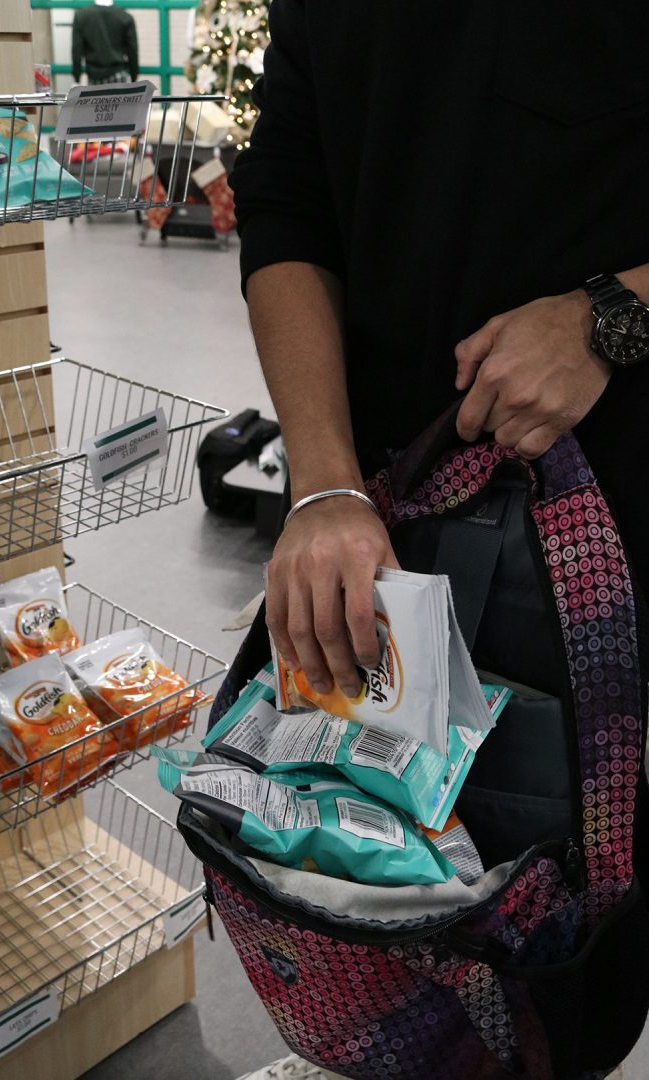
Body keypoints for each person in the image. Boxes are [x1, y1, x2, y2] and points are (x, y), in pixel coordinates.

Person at [229, 4, 649, 1078]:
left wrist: (614, 315)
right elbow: (288, 195)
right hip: (383, 528)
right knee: (385, 924)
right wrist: (320, 483)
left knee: (579, 974)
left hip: (613, 556)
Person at [72, 0, 139, 86]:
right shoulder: (125, 17)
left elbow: (76, 50)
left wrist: (76, 79)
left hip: (94, 77)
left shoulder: (81, 16)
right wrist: (134, 78)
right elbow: (132, 50)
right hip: (118, 75)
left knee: (94, 99)